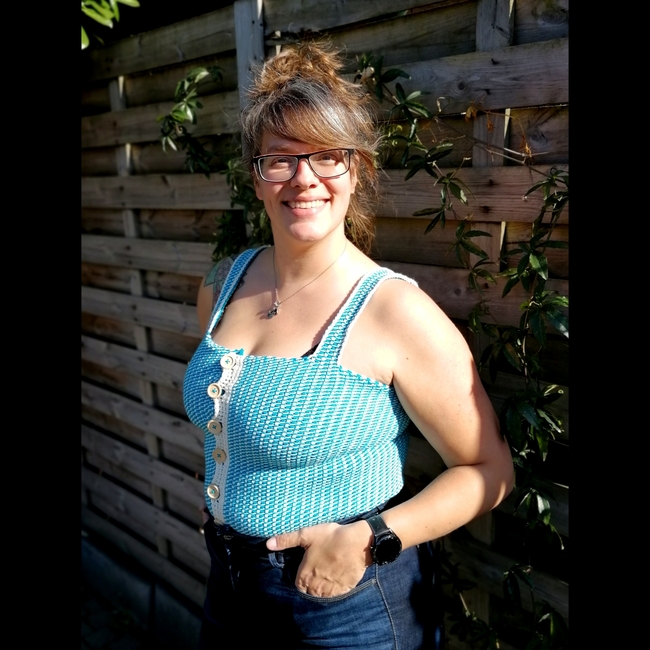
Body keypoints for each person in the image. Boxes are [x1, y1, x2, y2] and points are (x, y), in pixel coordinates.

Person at [183, 40, 514, 650]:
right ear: (256, 177)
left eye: (326, 157)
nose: (303, 178)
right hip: (229, 587)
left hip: (348, 607)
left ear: (354, 171)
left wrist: (370, 538)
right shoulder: (224, 283)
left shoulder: (394, 311)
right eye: (280, 160)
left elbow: (490, 471)